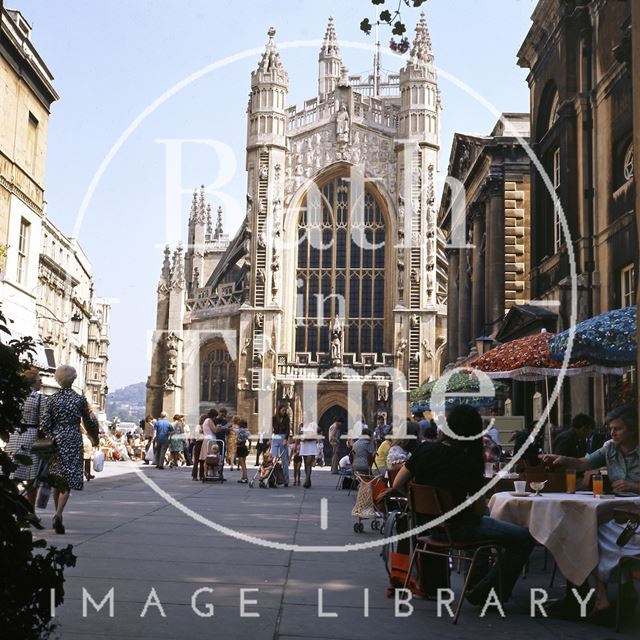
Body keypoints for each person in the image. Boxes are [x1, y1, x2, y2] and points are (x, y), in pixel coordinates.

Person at [393, 404, 535, 603]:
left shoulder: (424, 450)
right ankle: (486, 591)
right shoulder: (469, 461)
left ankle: (478, 583)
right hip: (459, 529)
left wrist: (415, 501)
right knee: (524, 538)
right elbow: (477, 510)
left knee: (478, 525)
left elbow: (398, 483)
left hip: (425, 527)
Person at [541, 404, 639, 621]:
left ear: (632, 430)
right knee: (586, 532)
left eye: (618, 428)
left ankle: (613, 595)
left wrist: (634, 486)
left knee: (595, 534)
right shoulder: (609, 448)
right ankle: (607, 597)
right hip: (618, 513)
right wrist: (562, 459)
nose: (612, 432)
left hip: (636, 518)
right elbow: (584, 462)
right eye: (610, 428)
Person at [41, 365, 99, 534]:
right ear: (73, 379)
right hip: (73, 438)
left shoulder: (51, 399)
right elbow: (89, 421)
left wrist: (53, 433)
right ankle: (59, 514)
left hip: (56, 439)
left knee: (57, 477)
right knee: (69, 477)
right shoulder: (79, 399)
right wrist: (93, 436)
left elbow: (45, 424)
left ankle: (56, 513)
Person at [5, 367, 47, 507]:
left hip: (14, 434)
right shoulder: (39, 397)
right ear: (34, 382)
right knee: (31, 475)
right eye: (40, 380)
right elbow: (44, 421)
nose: (41, 382)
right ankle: (30, 510)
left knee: (13, 472)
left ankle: (12, 505)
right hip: (31, 435)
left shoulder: (16, 396)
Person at [271, 404, 291, 487]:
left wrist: (286, 439)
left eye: (285, 410)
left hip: (283, 438)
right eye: (283, 410)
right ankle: (273, 478)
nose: (284, 412)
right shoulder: (274, 418)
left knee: (284, 460)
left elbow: (287, 430)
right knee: (273, 458)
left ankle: (286, 480)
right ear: (279, 410)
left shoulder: (286, 419)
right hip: (275, 438)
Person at [299, 416, 321, 488]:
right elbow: (300, 433)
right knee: (306, 464)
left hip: (311, 446)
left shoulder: (313, 424)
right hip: (304, 446)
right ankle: (308, 479)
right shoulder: (302, 425)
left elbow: (318, 432)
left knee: (309, 463)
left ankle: (307, 480)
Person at [198, 409, 218, 476]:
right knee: (211, 457)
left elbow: (202, 431)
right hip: (210, 440)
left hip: (206, 439)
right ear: (214, 416)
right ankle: (210, 473)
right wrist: (218, 428)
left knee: (206, 458)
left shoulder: (205, 421)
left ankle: (206, 473)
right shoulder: (209, 420)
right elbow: (214, 430)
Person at [191, 414, 207, 481]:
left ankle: (201, 475)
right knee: (196, 460)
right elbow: (197, 434)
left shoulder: (206, 426)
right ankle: (194, 476)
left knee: (202, 460)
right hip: (198, 443)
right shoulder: (198, 426)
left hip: (204, 443)